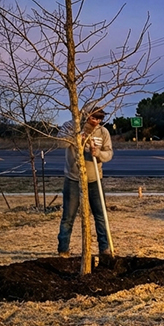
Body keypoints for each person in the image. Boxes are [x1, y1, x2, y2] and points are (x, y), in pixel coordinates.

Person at [58, 107, 113, 257]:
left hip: (95, 178)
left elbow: (109, 153)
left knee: (100, 215)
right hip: (73, 178)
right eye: (94, 117)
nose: (97, 121)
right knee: (68, 216)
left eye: (100, 118)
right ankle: (63, 250)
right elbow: (60, 143)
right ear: (86, 115)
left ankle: (105, 249)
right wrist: (75, 137)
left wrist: (98, 153)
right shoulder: (71, 126)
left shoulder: (103, 132)